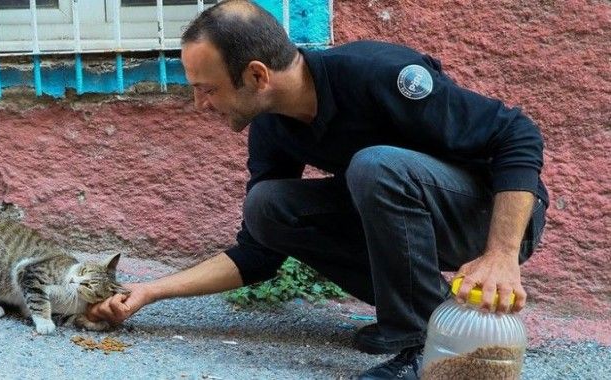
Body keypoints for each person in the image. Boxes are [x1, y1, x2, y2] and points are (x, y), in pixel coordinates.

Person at [88, 1, 548, 378]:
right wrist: (150, 292)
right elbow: (258, 250)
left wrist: (501, 255)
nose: (199, 103)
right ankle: (424, 320)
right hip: (414, 208)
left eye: (206, 89)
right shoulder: (272, 125)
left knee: (376, 166)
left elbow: (518, 136)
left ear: (256, 76)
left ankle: (417, 351)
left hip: (488, 216)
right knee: (267, 206)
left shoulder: (379, 74)